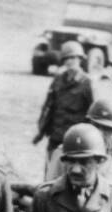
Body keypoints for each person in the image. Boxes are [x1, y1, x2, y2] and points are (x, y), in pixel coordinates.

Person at [34, 41, 95, 173]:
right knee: (50, 176)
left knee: (73, 177)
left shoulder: (87, 83)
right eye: (66, 58)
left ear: (80, 59)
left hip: (76, 142)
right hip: (55, 138)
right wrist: (41, 131)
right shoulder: (58, 80)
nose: (70, 61)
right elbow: (48, 107)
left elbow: (93, 115)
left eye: (73, 57)